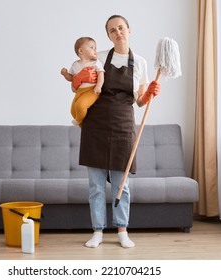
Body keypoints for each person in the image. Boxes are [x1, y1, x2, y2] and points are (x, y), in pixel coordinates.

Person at [71, 15, 161, 248]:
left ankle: (122, 231)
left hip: (122, 126)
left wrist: (150, 92)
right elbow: (78, 83)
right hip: (96, 126)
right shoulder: (98, 58)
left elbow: (140, 101)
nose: (118, 32)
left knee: (123, 185)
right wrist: (78, 78)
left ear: (129, 30)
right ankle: (98, 231)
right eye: (112, 30)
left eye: (121, 28)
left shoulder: (139, 63)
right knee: (96, 186)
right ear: (108, 36)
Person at [61, 37, 105, 127]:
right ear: (81, 51)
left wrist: (98, 86)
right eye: (92, 47)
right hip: (79, 91)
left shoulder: (96, 63)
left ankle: (78, 121)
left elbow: (101, 74)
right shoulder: (75, 65)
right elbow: (71, 78)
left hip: (92, 90)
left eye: (95, 48)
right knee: (73, 111)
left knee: (80, 106)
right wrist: (65, 74)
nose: (95, 50)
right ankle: (83, 127)